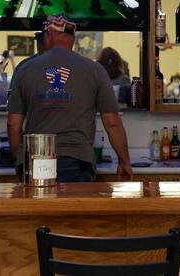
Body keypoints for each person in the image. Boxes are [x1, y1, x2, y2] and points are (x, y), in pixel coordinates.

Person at [7, 15, 133, 182]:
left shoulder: (25, 69)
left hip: (36, 159)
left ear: (48, 36)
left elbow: (13, 124)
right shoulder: (95, 70)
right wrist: (124, 162)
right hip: (78, 160)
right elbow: (112, 122)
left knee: (38, 200)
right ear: (72, 39)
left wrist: (19, 160)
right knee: (74, 201)